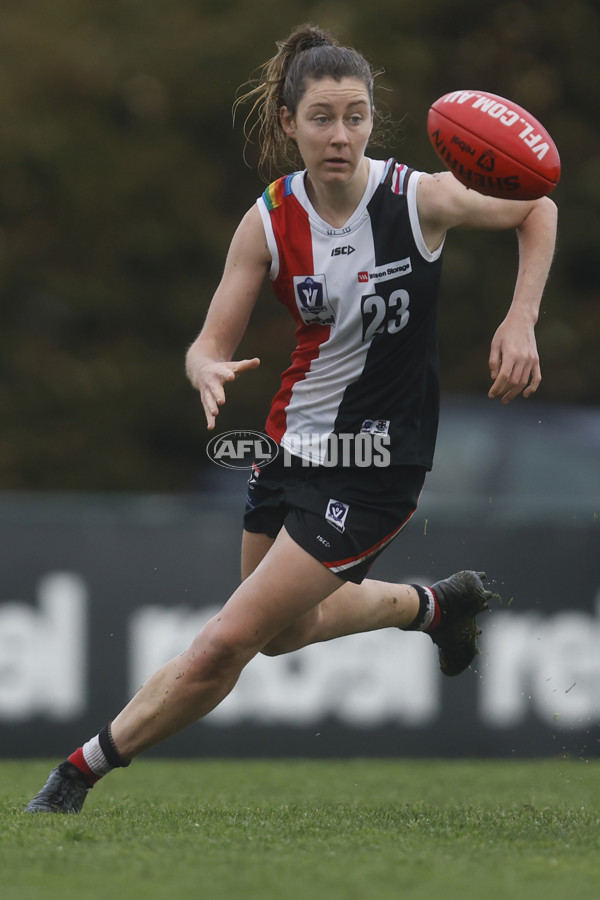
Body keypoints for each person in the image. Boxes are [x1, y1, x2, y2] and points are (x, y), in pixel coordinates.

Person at [25, 23, 557, 814]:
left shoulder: (417, 200)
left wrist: (521, 319)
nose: (339, 135)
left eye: (355, 116)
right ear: (288, 122)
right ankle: (437, 605)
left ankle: (78, 772)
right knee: (280, 634)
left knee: (225, 643)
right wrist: (204, 366)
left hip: (379, 461)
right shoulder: (270, 219)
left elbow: (535, 204)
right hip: (290, 445)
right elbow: (208, 342)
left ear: (374, 120)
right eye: (320, 117)